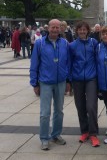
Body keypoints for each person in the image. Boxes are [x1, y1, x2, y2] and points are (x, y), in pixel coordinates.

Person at [30, 19, 70, 151]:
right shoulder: (40, 43)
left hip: (60, 82)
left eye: (57, 27)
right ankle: (44, 138)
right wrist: (35, 83)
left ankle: (56, 135)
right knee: (45, 113)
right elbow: (34, 64)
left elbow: (67, 63)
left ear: (60, 29)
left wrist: (68, 81)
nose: (55, 30)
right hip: (45, 82)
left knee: (59, 111)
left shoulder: (64, 43)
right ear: (48, 28)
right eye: (53, 27)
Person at [69, 21, 100, 147]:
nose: (82, 31)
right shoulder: (72, 45)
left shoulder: (94, 43)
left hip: (91, 78)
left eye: (84, 29)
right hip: (77, 79)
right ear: (76, 31)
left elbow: (98, 60)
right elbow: (69, 63)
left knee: (91, 106)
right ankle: (84, 131)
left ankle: (93, 133)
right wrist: (69, 80)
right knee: (80, 106)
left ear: (88, 31)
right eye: (80, 30)